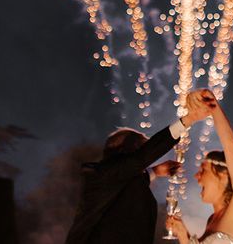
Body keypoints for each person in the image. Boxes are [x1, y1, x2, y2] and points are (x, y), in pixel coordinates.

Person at [65, 97, 211, 244]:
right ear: (128, 153)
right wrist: (187, 120)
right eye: (141, 151)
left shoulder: (113, 179)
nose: (145, 162)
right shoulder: (101, 174)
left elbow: (127, 183)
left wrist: (155, 171)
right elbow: (136, 163)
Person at [167, 89, 233, 244]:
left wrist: (212, 105)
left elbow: (231, 145)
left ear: (223, 175)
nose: (197, 177)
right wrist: (183, 235)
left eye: (203, 170)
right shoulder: (212, 218)